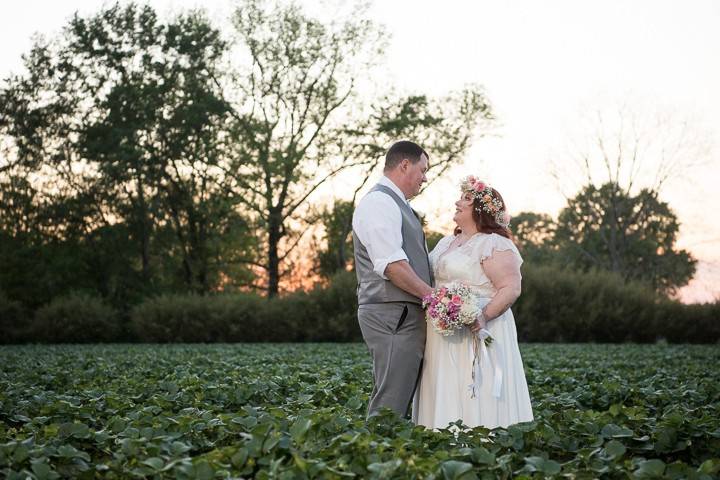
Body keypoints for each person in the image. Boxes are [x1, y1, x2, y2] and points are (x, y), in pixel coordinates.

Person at [413, 176, 533, 429]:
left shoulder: (494, 244)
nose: (457, 202)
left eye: (466, 199)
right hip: (443, 332)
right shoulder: (446, 242)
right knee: (445, 385)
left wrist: (482, 316)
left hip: (480, 328)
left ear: (481, 209)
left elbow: (510, 287)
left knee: (479, 386)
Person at [352, 140, 434, 418]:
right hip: (392, 314)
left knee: (399, 396)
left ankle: (389, 456)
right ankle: (372, 457)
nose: (425, 177)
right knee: (391, 401)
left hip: (401, 313)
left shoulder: (397, 205)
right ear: (404, 165)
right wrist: (434, 299)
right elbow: (392, 266)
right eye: (423, 170)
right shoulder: (379, 202)